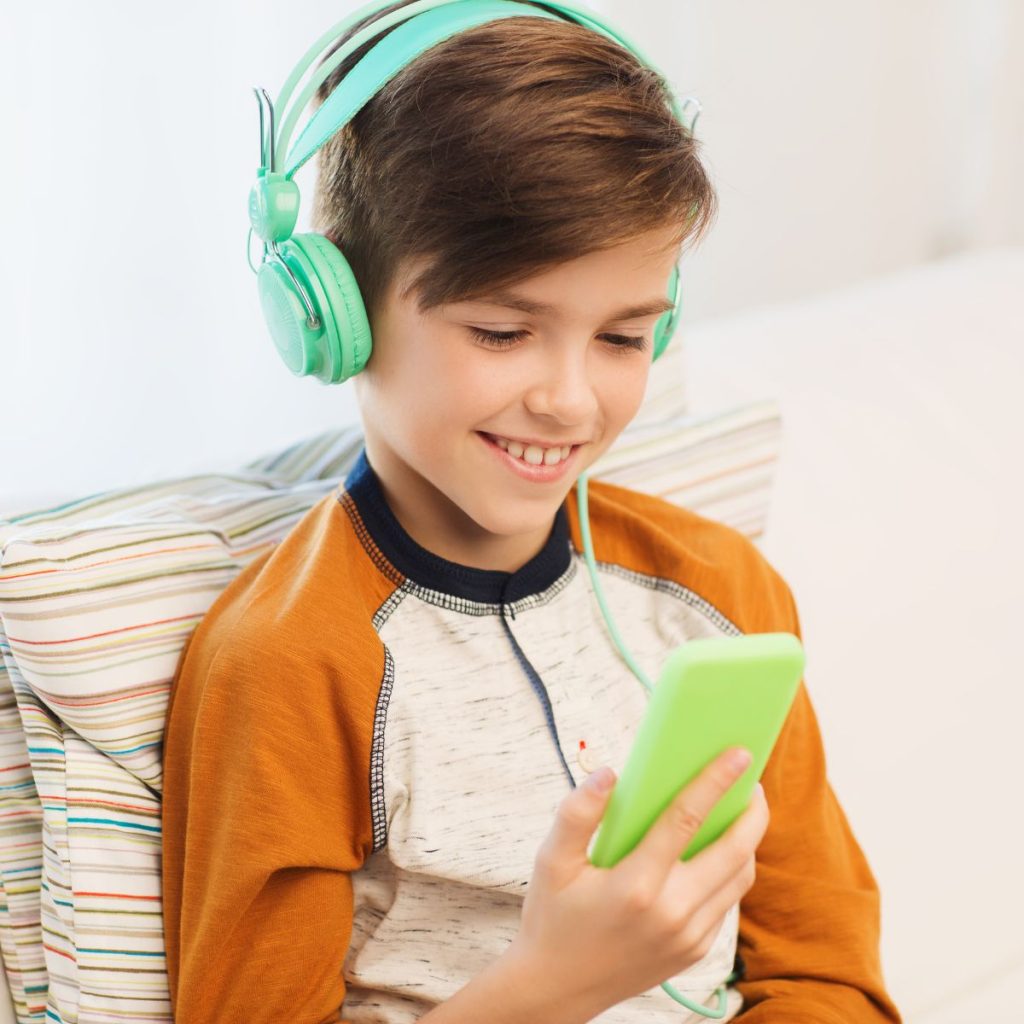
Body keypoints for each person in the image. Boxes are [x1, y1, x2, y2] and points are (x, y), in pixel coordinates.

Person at [160, 3, 903, 1022]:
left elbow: (828, 976)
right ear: (329, 315)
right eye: (505, 331)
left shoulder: (720, 592)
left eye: (621, 336)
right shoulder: (290, 663)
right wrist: (551, 988)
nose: (569, 399)